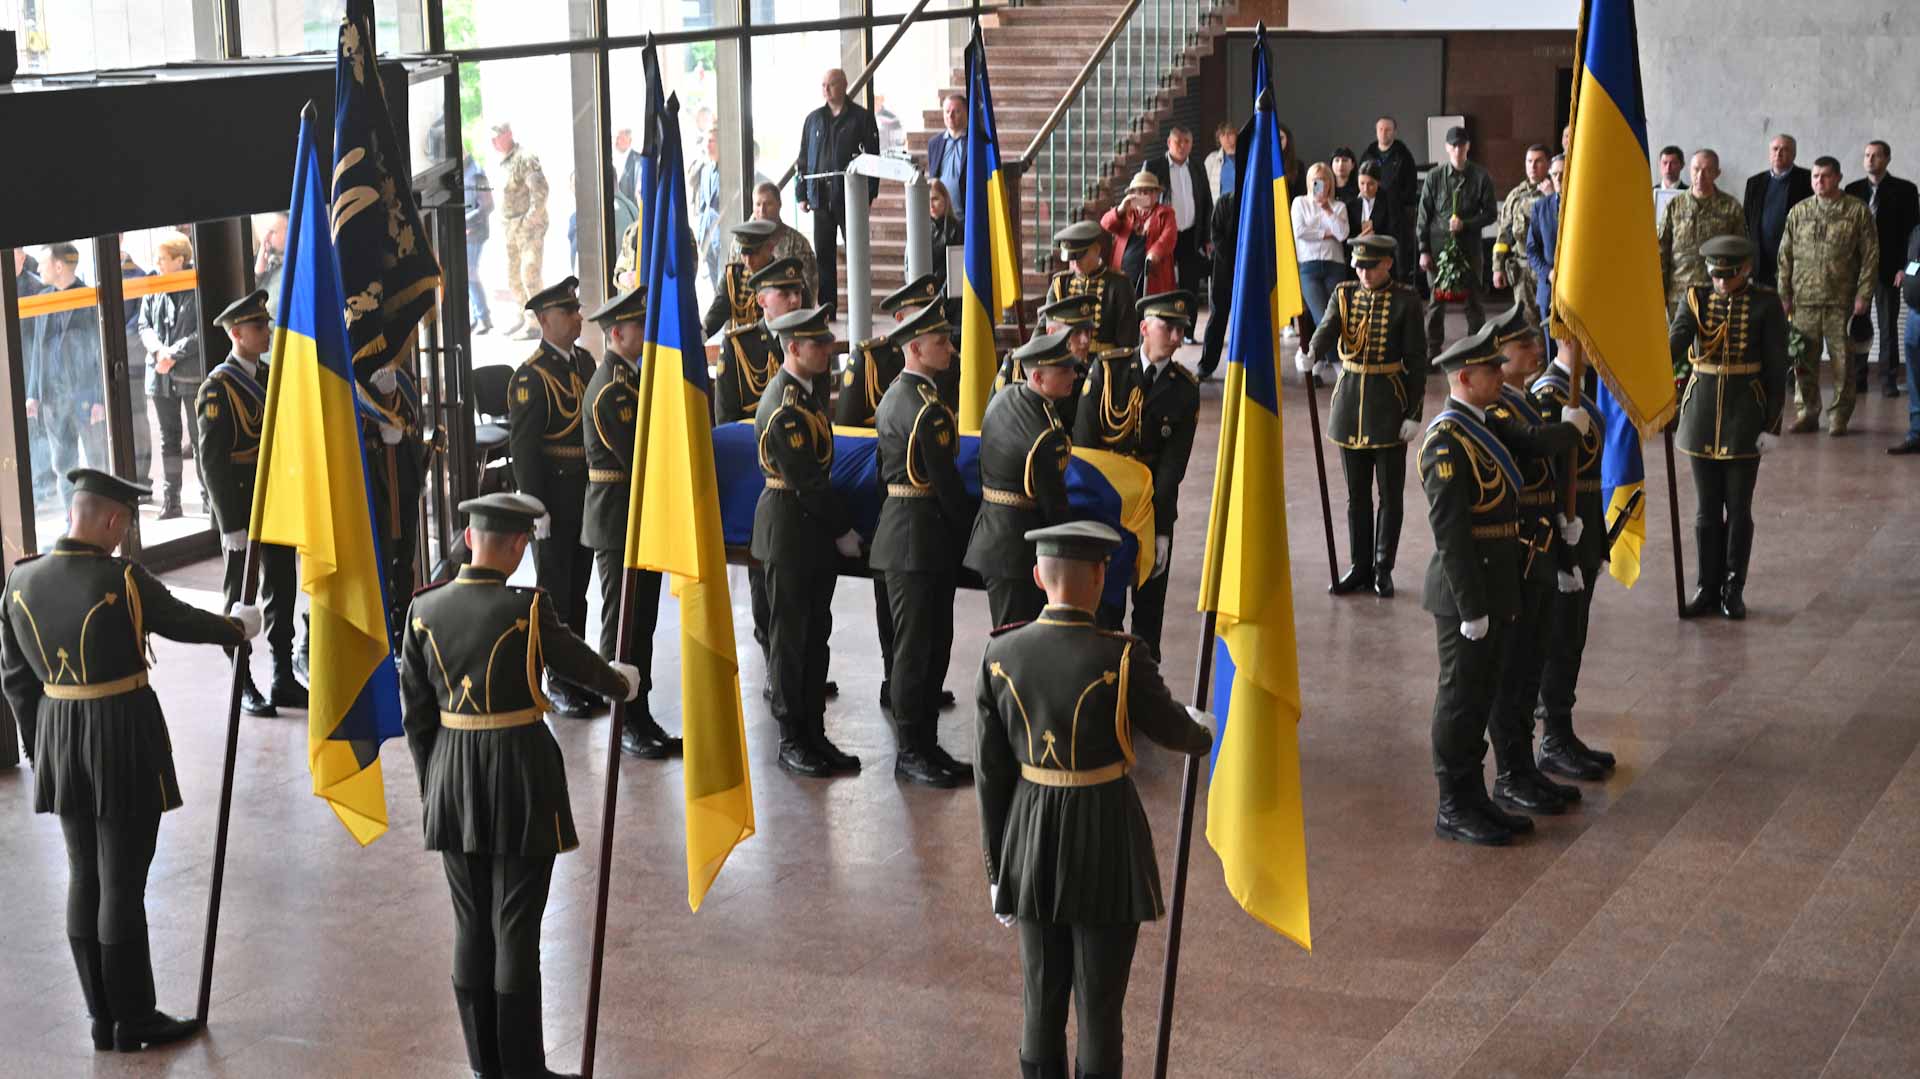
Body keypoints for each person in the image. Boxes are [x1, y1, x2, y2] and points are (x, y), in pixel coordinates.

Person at [0, 468, 261, 1053]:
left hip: (58, 734)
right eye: (126, 524)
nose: (125, 535)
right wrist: (238, 626)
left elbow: (16, 681)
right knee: (122, 879)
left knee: (83, 873)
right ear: (113, 519)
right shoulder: (122, 579)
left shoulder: (19, 582)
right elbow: (183, 622)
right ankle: (135, 1018)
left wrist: (41, 748)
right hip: (120, 731)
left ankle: (101, 1017)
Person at [400, 491, 639, 1079]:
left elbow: (417, 715)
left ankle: (486, 1064)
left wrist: (433, 784)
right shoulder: (526, 608)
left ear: (469, 539)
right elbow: (577, 666)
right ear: (514, 545)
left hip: (451, 770)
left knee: (470, 919)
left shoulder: (422, 610)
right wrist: (621, 683)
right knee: (515, 920)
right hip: (519, 772)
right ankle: (523, 1067)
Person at [974, 520, 1214, 1079]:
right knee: (1100, 1006)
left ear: (1038, 576)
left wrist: (997, 869)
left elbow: (991, 775)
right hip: (1105, 830)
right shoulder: (1123, 656)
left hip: (1030, 837)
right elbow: (1177, 732)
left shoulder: (1000, 653)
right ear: (1102, 577)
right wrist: (1203, 727)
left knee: (1040, 998)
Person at [1419, 326, 1587, 845]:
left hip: (1500, 582)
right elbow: (1451, 535)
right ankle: (1454, 803)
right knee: (1461, 698)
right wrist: (1472, 606)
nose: (1500, 377)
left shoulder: (1482, 425)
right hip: (1466, 591)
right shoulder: (1446, 441)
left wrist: (1571, 427)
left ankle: (1478, 796)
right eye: (1490, 371)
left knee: (1486, 690)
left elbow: (1534, 443)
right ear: (1464, 378)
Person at [754, 304, 865, 778]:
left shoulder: (806, 397)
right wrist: (844, 530)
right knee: (790, 640)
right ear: (794, 348)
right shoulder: (783, 407)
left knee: (815, 636)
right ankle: (791, 738)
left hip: (807, 533)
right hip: (788, 534)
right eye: (817, 344)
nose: (827, 350)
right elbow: (809, 481)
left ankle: (814, 732)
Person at [1482, 307, 1585, 818]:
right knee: (1513, 669)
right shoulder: (1499, 409)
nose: (1535, 349)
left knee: (1530, 665)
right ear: (1499, 354)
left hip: (1539, 549)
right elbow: (1531, 447)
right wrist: (1567, 431)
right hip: (1517, 553)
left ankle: (1525, 768)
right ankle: (1509, 773)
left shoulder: (1520, 401)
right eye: (1522, 345)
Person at [871, 302, 974, 787]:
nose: (950, 348)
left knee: (923, 647)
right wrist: (973, 533)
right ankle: (913, 750)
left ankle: (924, 745)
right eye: (942, 341)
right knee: (921, 650)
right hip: (920, 539)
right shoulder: (926, 408)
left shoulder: (894, 396)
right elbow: (948, 485)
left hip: (904, 532)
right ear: (915, 347)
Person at [579, 286, 681, 759]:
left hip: (638, 518)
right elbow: (639, 455)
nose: (646, 334)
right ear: (617, 333)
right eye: (638, 327)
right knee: (623, 625)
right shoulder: (611, 390)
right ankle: (624, 719)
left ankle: (640, 715)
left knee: (641, 625)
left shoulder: (633, 381)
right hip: (620, 520)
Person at [1071, 292, 1200, 657]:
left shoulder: (1185, 389)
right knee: (1104, 607)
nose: (1176, 338)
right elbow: (1084, 446)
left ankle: (1142, 686)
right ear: (1144, 328)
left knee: (1148, 610)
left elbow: (1173, 467)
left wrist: (1160, 529)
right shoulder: (1107, 370)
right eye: (1168, 327)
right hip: (1105, 508)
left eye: (1181, 330)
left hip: (1150, 510)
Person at [1668, 235, 1789, 621]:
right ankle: (1707, 587)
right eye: (1716, 275)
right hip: (1700, 414)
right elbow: (1675, 344)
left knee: (1738, 508)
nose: (1720, 282)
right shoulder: (1696, 299)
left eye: (1728, 275)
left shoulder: (1766, 305)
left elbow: (1775, 368)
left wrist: (1772, 424)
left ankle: (1733, 588)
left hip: (1744, 417)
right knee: (1706, 510)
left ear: (1746, 269)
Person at [198, 289, 304, 717]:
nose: (267, 332)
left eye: (267, 325)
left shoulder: (269, 377)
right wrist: (229, 524)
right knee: (239, 600)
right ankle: (244, 683)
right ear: (237, 333)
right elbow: (212, 462)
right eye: (259, 327)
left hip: (274, 500)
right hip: (241, 506)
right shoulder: (217, 388)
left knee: (283, 588)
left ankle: (282, 675)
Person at [1309, 234, 1427, 598]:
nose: (1363, 273)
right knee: (1355, 496)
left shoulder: (1406, 302)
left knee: (1390, 496)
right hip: (1348, 407)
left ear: (1387, 264)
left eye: (1370, 266)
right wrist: (1312, 351)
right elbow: (1328, 329)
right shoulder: (1343, 295)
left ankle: (1382, 567)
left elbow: (1417, 362)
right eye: (1358, 266)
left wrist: (1414, 413)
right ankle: (1359, 566)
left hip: (1388, 407)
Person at [507, 277, 603, 718]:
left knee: (579, 591)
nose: (578, 317)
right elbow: (524, 450)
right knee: (554, 594)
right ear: (545, 321)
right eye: (568, 312)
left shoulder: (583, 363)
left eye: (577, 310)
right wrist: (534, 506)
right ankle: (557, 681)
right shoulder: (530, 376)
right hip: (553, 497)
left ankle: (578, 672)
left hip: (584, 492)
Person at [1529, 329, 1615, 783]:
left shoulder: (1577, 390)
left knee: (1575, 633)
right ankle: (1553, 737)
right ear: (1568, 341)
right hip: (1564, 533)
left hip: (1584, 526)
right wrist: (1563, 541)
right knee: (1560, 635)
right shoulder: (1549, 394)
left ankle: (1564, 730)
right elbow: (1545, 472)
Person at [964, 330, 1079, 627]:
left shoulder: (1006, 397)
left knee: (1007, 634)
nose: (1074, 375)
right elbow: (1055, 506)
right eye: (1064, 370)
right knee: (1014, 641)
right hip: (1019, 551)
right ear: (1039, 378)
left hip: (991, 535)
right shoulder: (1046, 434)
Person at [1778, 155, 1878, 437]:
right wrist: (1783, 292)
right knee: (1803, 361)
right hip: (1803, 300)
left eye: (1824, 176)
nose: (1818, 181)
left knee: (1843, 364)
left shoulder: (1856, 211)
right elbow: (1784, 256)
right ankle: (1807, 412)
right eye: (1814, 176)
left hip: (1841, 301)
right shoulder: (1799, 212)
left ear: (1838, 178)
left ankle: (1839, 417)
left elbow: (1870, 256)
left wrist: (1864, 294)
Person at [797, 68, 880, 316]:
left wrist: (870, 195)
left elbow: (872, 159)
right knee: (824, 256)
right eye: (823, 85)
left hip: (850, 200)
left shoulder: (861, 118)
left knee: (856, 254)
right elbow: (803, 158)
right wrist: (801, 193)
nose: (826, 89)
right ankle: (828, 308)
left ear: (843, 85)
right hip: (821, 200)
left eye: (831, 84)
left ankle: (860, 307)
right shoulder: (813, 120)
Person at [29, 244, 106, 506]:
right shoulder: (43, 299)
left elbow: (100, 353)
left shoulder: (89, 298)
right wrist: (33, 395)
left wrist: (99, 398)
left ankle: (97, 517)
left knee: (97, 462)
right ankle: (70, 520)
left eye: (43, 263)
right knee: (62, 465)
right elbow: (38, 352)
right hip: (53, 398)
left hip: (85, 396)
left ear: (59, 266)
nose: (38, 268)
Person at [1843, 140, 1919, 397]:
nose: (1870, 160)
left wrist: (1905, 268)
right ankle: (1859, 378)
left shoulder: (1906, 190)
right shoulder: (1852, 190)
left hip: (1889, 269)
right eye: (1867, 155)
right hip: (1857, 270)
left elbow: (1913, 234)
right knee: (1857, 324)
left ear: (1887, 159)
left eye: (1876, 156)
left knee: (1888, 327)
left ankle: (1888, 380)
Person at [136, 234, 202, 520]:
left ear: (179, 260)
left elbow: (201, 330)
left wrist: (172, 353)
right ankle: (171, 500)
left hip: (189, 374)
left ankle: (208, 498)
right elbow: (144, 324)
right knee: (169, 439)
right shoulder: (154, 285)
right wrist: (158, 351)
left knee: (200, 439)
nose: (157, 264)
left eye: (162, 258)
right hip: (160, 375)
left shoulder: (196, 283)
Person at [1419, 126, 1497, 359]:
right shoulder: (1434, 177)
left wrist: (1467, 224)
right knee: (1436, 303)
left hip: (1470, 249)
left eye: (1461, 145)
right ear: (1447, 148)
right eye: (1453, 145)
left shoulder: (1481, 177)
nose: (1457, 150)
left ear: (1468, 147)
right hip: (1439, 249)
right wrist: (1424, 250)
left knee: (1474, 302)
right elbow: (1423, 216)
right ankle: (1433, 351)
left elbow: (1491, 213)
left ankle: (1477, 349)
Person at [717, 256, 811, 426]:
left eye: (798, 292)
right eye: (784, 294)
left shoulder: (812, 342)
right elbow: (726, 421)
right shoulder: (738, 346)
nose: (795, 300)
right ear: (762, 300)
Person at [1659, 148, 1745, 319]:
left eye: (1707, 170)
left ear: (1717, 173)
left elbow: (1740, 253)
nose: (1700, 176)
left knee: (1716, 344)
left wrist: (1735, 289)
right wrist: (1659, 293)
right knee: (1680, 344)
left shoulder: (1730, 207)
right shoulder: (1674, 205)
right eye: (1696, 169)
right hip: (1679, 294)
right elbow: (1661, 251)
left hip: (1717, 293)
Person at [1003, 291, 1098, 430]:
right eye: (1076, 333)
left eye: (1089, 332)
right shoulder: (1017, 365)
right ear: (1051, 332)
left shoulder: (1090, 373)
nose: (1086, 341)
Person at [491, 123, 550, 339]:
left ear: (509, 134)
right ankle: (523, 315)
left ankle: (536, 323)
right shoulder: (502, 163)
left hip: (528, 229)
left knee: (529, 274)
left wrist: (529, 220)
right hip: (511, 230)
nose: (493, 142)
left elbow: (540, 190)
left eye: (497, 136)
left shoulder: (525, 158)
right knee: (513, 277)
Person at [1047, 220, 1139, 355]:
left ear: (1096, 249)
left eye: (1080, 257)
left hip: (1105, 362)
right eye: (1071, 259)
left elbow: (1127, 338)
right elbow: (1045, 325)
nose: (1075, 264)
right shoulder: (1060, 283)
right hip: (1067, 360)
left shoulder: (1119, 284)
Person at [1291, 162, 1352, 359]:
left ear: (1330, 183)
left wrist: (1327, 209)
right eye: (1315, 180)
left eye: (1324, 179)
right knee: (1321, 316)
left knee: (1335, 316)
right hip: (1308, 267)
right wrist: (1326, 233)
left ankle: (1319, 362)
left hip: (1334, 265)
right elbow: (1300, 232)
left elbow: (1342, 234)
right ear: (1309, 182)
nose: (1320, 183)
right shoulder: (1300, 203)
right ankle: (1337, 362)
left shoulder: (1338, 206)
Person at [1145, 127, 1213, 297]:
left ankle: (1189, 323)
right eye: (1178, 142)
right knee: (1163, 286)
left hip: (1190, 234)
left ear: (1191, 144)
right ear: (1169, 143)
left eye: (1186, 142)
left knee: (1190, 288)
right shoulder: (1153, 166)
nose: (1182, 146)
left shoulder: (1198, 166)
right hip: (1164, 235)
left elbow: (1206, 202)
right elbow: (1144, 201)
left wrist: (1207, 238)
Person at [1743, 133, 1813, 287]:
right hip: (1761, 263)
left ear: (1794, 154)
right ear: (1770, 153)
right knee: (1764, 308)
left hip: (1796, 261)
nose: (1779, 153)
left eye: (1785, 149)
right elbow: (1747, 221)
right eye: (1775, 149)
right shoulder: (1754, 183)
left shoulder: (1808, 180)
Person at [1492, 144, 1551, 326]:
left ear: (1548, 164)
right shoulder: (1516, 196)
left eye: (1538, 161)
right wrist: (1498, 267)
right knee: (1527, 325)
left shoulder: (1557, 192)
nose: (1533, 166)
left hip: (1549, 272)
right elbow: (1503, 234)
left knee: (1552, 326)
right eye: (1529, 161)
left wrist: (1551, 195)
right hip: (1522, 271)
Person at [1360, 115, 1420, 275]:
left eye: (1388, 130)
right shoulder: (1369, 154)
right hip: (1373, 210)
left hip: (1397, 213)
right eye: (1380, 129)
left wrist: (1400, 203)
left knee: (1397, 256)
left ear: (1394, 132)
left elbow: (1410, 186)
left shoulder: (1403, 155)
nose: (1384, 133)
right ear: (1376, 131)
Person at [1101, 172, 1179, 297]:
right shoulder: (1126, 212)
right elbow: (1105, 224)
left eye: (1148, 191)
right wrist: (1120, 209)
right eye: (1139, 191)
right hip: (1122, 274)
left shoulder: (1165, 213)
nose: (1143, 195)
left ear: (1156, 194)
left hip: (1153, 275)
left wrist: (1154, 253)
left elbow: (1169, 237)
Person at [702, 219, 780, 340]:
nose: (748, 261)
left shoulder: (784, 276)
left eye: (755, 254)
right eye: (744, 254)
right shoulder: (733, 276)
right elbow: (719, 309)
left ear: (770, 248)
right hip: (742, 346)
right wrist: (703, 333)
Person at [751, 182, 819, 300]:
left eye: (768, 204)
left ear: (779, 204)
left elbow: (810, 289)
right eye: (758, 204)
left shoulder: (798, 244)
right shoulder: (742, 242)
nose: (762, 210)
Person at [1196, 188, 1238, 380]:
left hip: (1254, 269)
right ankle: (1207, 365)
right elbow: (1216, 234)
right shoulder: (1224, 202)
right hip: (1225, 269)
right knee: (1218, 316)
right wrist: (1236, 259)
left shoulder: (1262, 201)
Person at [1525, 155, 1566, 339]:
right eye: (1555, 174)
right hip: (1549, 290)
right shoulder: (1540, 207)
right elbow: (1532, 250)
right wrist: (1547, 272)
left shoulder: (1584, 206)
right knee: (1552, 352)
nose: (1558, 179)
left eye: (1563, 174)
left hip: (1577, 293)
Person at [463, 151, 495, 334]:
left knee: (470, 273)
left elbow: (488, 205)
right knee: (467, 275)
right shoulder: (465, 171)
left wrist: (465, 221)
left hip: (475, 232)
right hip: (467, 231)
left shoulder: (477, 174)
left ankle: (484, 318)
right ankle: (478, 316)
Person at [690, 124, 724, 292]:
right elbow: (703, 206)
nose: (708, 145)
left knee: (722, 283)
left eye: (712, 141)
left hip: (723, 235)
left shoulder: (729, 169)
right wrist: (700, 233)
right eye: (706, 141)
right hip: (707, 237)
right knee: (713, 285)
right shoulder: (706, 171)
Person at [925, 92, 968, 221]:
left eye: (956, 111)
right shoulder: (934, 143)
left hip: (966, 216)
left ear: (966, 113)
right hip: (942, 217)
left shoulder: (975, 143)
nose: (951, 116)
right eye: (947, 111)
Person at [1898, 223, 1920, 455]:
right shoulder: (1916, 231)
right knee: (1915, 377)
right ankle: (1916, 434)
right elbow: (1913, 262)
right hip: (1915, 313)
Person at [928, 179, 965, 277]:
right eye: (927, 200)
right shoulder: (920, 229)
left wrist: (940, 292)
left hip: (946, 289)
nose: (931, 205)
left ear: (945, 199)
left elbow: (956, 269)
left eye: (935, 199)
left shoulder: (956, 229)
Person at [1653, 144, 1689, 222]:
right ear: (1659, 164)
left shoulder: (1691, 193)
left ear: (1682, 165)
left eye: (1673, 163)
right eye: (1665, 163)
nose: (1668, 168)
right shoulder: (1649, 193)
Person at [1203, 120, 1238, 202]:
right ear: (1219, 139)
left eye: (1230, 133)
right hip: (1221, 207)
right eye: (1222, 135)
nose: (1226, 138)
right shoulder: (1212, 159)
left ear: (1236, 135)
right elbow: (1204, 187)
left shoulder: (1247, 156)